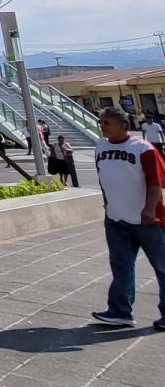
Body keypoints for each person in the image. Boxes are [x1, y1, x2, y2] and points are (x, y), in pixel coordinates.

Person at [91, 105, 165, 329]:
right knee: (121, 265)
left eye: (107, 123)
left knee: (162, 266)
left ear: (123, 126)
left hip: (148, 221)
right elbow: (104, 176)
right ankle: (120, 310)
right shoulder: (100, 147)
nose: (102, 127)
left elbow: (156, 183)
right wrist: (107, 203)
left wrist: (149, 209)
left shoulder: (142, 149)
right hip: (116, 219)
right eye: (101, 123)